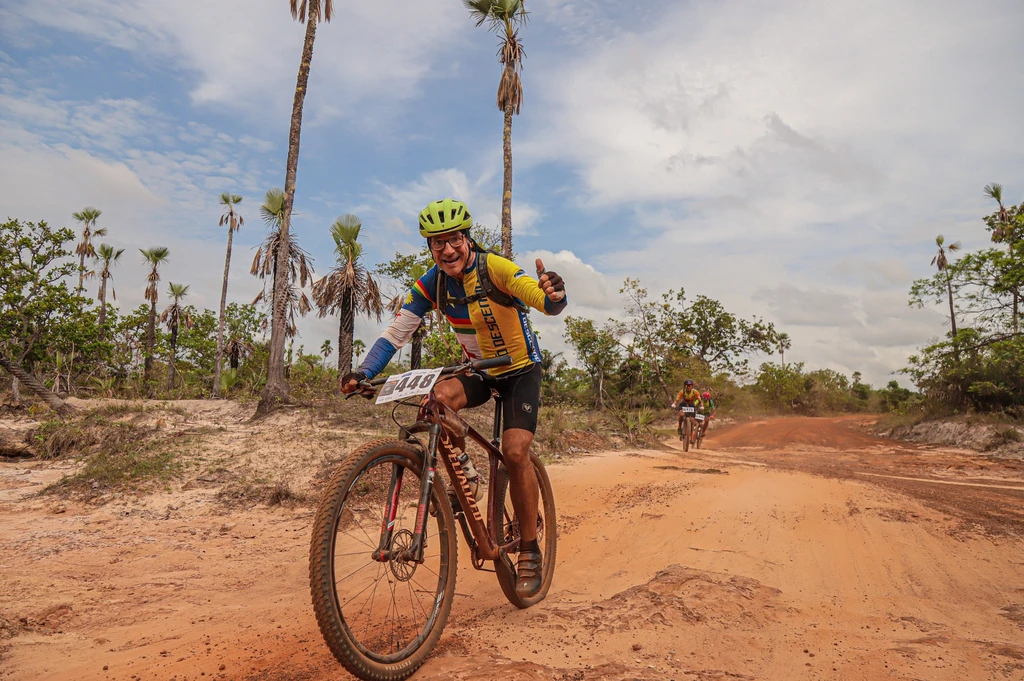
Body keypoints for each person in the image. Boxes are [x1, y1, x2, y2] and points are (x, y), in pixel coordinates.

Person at [340, 198, 567, 599]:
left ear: (467, 239)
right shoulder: (432, 284)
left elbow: (541, 299)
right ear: (429, 248)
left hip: (519, 372)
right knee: (436, 398)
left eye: (454, 240)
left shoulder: (494, 268)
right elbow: (396, 333)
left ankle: (530, 548)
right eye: (437, 243)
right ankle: (466, 471)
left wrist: (554, 294)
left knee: (515, 453)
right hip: (480, 370)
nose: (447, 250)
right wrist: (364, 373)